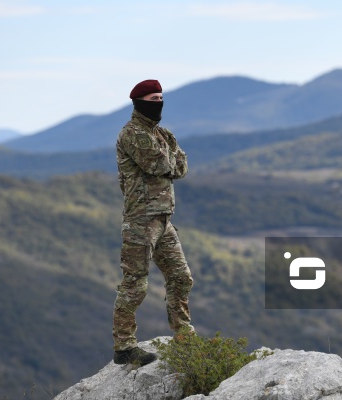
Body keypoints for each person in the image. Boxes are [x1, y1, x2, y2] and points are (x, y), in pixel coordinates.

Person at [112, 79, 194, 366]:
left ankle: (184, 335)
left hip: (163, 220)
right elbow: (158, 165)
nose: (158, 102)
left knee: (181, 277)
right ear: (139, 102)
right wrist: (170, 156)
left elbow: (181, 168)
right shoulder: (133, 134)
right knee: (135, 284)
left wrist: (169, 156)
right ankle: (124, 346)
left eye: (160, 97)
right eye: (152, 98)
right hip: (140, 221)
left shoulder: (161, 134)